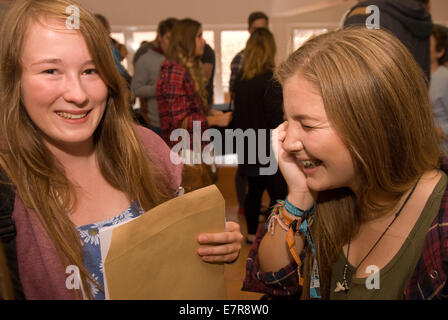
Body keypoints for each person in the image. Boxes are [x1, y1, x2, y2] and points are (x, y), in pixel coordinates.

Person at [0, 0, 242, 300]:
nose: (78, 94)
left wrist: (220, 243)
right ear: (14, 80)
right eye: (51, 70)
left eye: (90, 70)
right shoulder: (8, 190)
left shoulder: (146, 148)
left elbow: (191, 237)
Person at [243, 27, 448, 300]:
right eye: (288, 121)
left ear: (373, 124)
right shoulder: (330, 193)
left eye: (307, 124)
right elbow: (275, 284)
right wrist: (299, 197)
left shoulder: (441, 227)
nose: (288, 142)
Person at [230, 28, 287, 244]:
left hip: (247, 144)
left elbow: (238, 116)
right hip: (268, 145)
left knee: (253, 191)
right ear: (270, 49)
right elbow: (274, 118)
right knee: (277, 193)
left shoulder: (241, 83)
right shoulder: (272, 81)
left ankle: (252, 233)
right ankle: (274, 235)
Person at [156, 18, 232, 149]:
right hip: (185, 150)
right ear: (187, 40)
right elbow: (180, 122)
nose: (203, 41)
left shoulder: (183, 70)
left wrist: (210, 112)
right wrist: (214, 120)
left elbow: (189, 107)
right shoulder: (175, 73)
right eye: (199, 36)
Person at [343, 0, 432, 80]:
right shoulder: (419, 17)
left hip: (378, 95)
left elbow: (358, 74)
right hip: (416, 94)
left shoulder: (365, 12)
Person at [132, 18, 178, 136]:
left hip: (181, 122)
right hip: (158, 124)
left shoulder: (182, 58)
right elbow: (136, 89)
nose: (172, 42)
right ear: (160, 37)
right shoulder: (146, 59)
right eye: (168, 38)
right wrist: (160, 88)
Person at [430, 25, 448, 155]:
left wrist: (441, 131)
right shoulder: (419, 75)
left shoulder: (444, 78)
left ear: (440, 51)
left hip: (443, 152)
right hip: (428, 152)